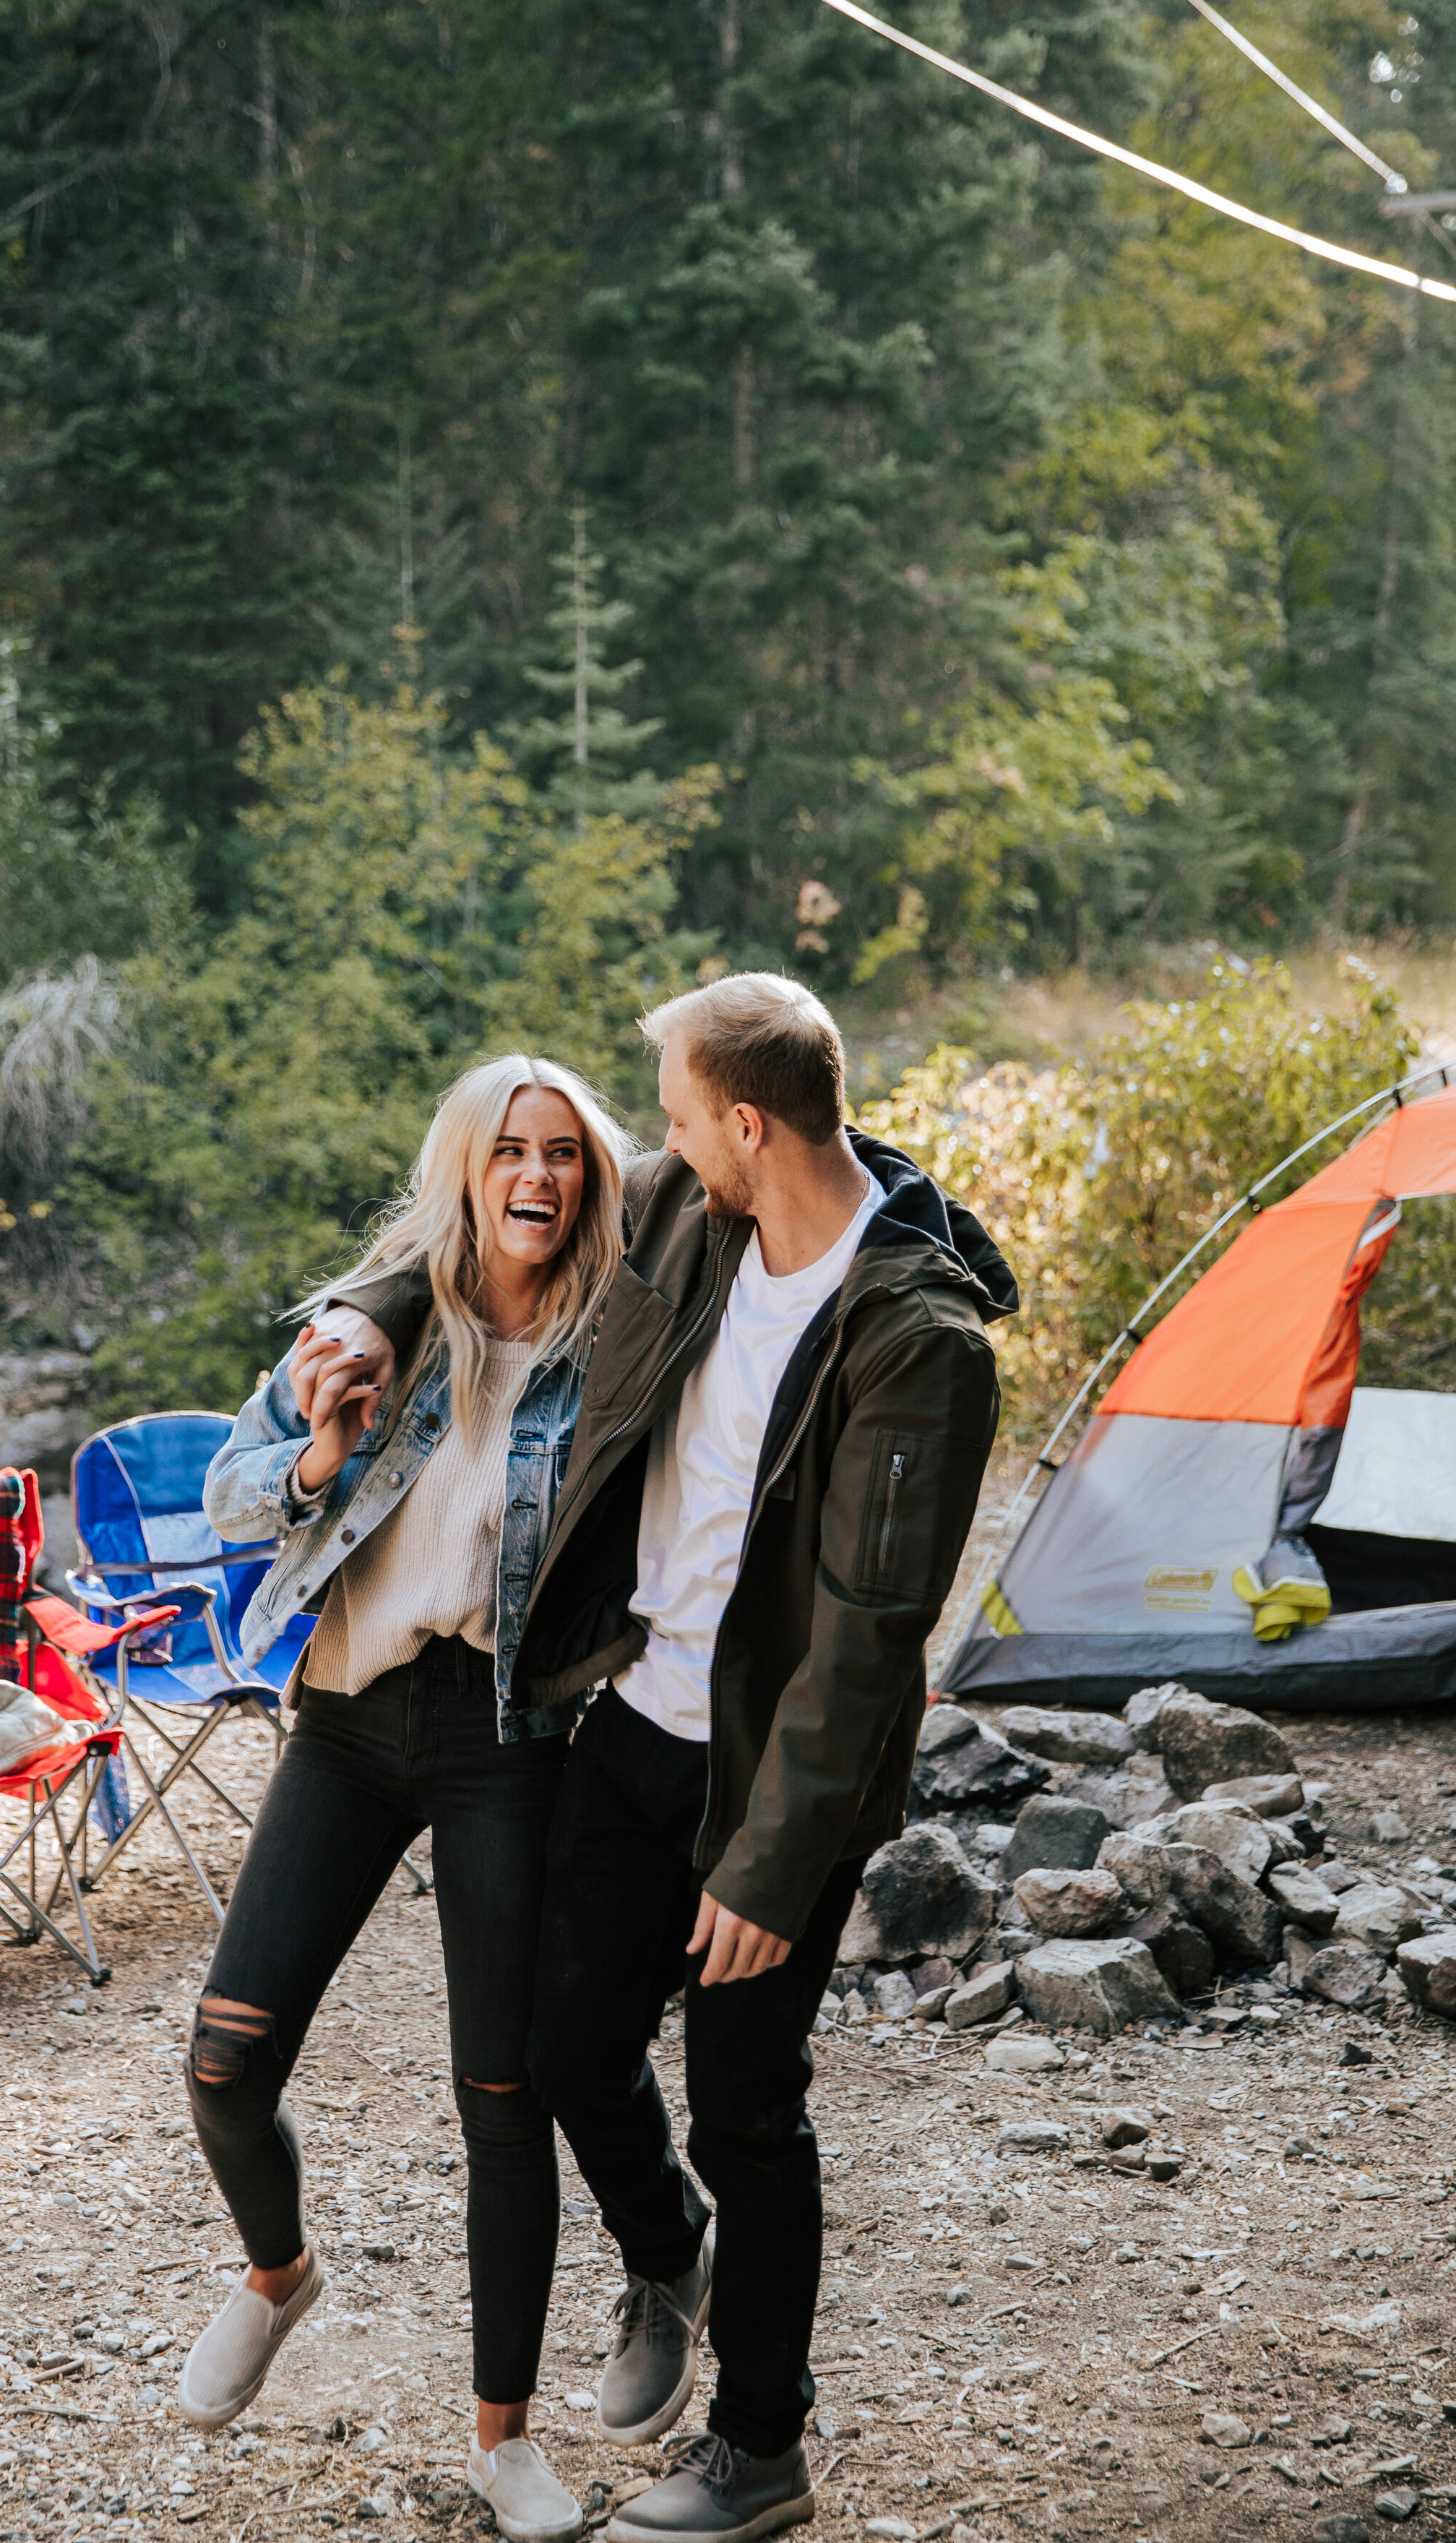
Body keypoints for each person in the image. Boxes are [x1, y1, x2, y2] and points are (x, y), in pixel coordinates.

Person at [338, 975, 1015, 2543]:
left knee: (745, 2107)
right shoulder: (692, 1218)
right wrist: (346, 1322)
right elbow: (480, 1235)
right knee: (563, 2047)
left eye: (674, 1113)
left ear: (747, 1122)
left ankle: (758, 2445)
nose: (654, 1142)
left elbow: (864, 1632)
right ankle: (668, 2250)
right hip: (632, 1719)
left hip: (773, 1776)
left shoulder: (915, 1343)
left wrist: (773, 1867)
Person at [178, 1054, 635, 2543]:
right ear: (463, 1167)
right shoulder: (380, 1324)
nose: (539, 1175)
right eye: (510, 1149)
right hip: (349, 1716)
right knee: (225, 2066)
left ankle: (505, 2442)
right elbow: (231, 1497)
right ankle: (277, 2274)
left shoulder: (617, 1344)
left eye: (563, 1152)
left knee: (499, 2103)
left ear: (589, 1179)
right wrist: (320, 1450)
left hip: (504, 1736)